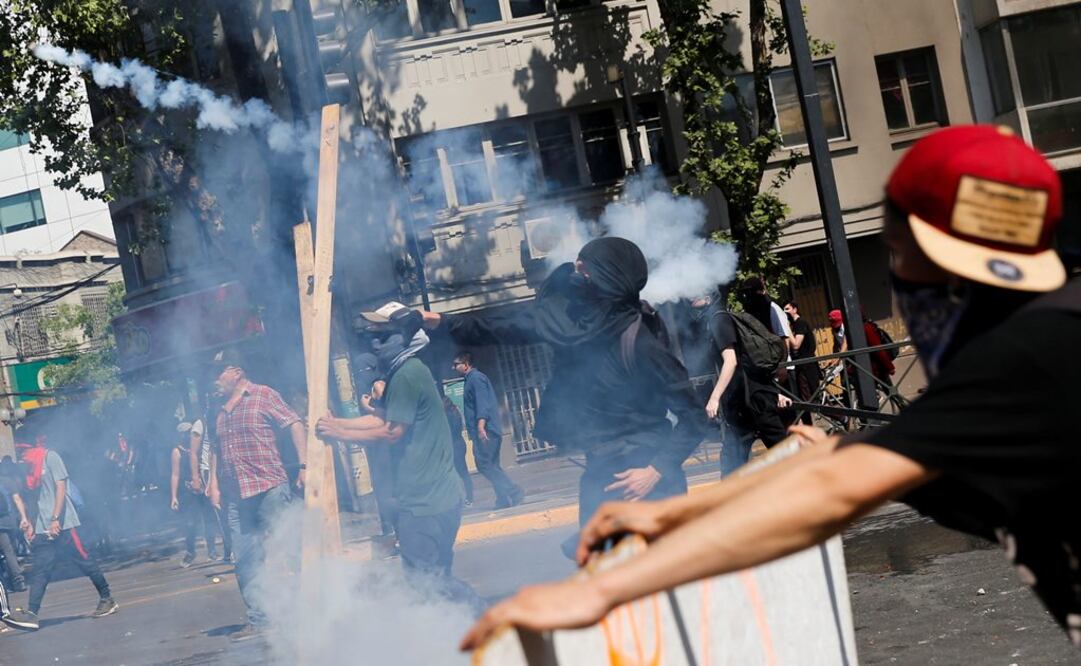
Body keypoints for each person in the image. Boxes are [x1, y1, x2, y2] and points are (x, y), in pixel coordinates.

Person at [459, 125, 1081, 651]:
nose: (896, 283)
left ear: (939, 257)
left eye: (896, 255)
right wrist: (678, 508)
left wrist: (596, 590)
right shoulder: (1043, 345)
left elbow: (832, 486)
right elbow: (865, 461)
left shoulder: (1025, 361)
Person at [421, 237, 710, 535]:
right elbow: (501, 326)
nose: (577, 271)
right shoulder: (570, 324)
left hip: (647, 476)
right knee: (600, 567)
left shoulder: (641, 342)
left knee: (656, 571)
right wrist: (440, 322)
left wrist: (655, 471)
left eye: (587, 268)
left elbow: (694, 418)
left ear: (611, 276)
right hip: (600, 472)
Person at [318, 303, 470, 600]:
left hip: (425, 503)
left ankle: (482, 618)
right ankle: (455, 635)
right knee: (434, 581)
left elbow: (391, 431)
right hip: (435, 499)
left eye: (384, 335)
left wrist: (339, 432)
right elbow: (382, 418)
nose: (375, 342)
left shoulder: (406, 375)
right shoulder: (405, 371)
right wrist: (339, 426)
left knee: (427, 582)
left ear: (404, 337)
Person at [211, 349, 307, 642]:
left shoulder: (263, 395)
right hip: (236, 496)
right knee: (245, 560)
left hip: (270, 488)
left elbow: (294, 423)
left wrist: (304, 465)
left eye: (218, 372)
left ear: (237, 371)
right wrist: (213, 484)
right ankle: (260, 620)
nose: (213, 379)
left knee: (290, 549)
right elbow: (216, 448)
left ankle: (304, 609)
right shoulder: (218, 408)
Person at [14, 437, 118, 630]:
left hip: (64, 524)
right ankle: (32, 613)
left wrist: (55, 518)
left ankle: (107, 598)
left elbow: (61, 487)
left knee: (84, 561)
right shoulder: (28, 469)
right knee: (41, 570)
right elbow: (32, 497)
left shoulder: (50, 457)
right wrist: (28, 521)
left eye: (22, 451)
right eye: (18, 451)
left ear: (32, 447)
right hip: (42, 527)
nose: (20, 455)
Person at [699, 290, 793, 476]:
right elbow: (746, 362)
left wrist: (714, 398)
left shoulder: (719, 320)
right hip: (745, 401)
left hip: (753, 401)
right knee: (733, 462)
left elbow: (731, 361)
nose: (689, 295)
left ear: (709, 297)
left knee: (784, 456)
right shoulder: (717, 320)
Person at [452, 352, 522, 509]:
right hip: (484, 430)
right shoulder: (471, 380)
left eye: (456, 364)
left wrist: (481, 425)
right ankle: (503, 499)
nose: (454, 367)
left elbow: (482, 403)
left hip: (486, 430)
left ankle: (514, 491)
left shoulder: (476, 379)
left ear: (466, 364)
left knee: (484, 464)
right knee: (492, 465)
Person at [170, 421, 223, 567]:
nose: (189, 435)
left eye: (190, 431)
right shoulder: (177, 452)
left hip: (204, 488)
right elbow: (175, 475)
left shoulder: (198, 448)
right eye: (187, 432)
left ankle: (212, 552)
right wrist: (174, 496)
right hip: (188, 493)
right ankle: (190, 552)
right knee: (191, 523)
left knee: (209, 520)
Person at [783, 300, 822, 425]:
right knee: (803, 400)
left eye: (787, 309)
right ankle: (808, 428)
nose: (785, 312)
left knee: (811, 400)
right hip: (800, 367)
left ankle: (841, 417)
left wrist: (786, 328)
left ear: (795, 309)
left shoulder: (800, 323)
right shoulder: (794, 325)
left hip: (807, 366)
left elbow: (796, 345)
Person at [442, 394, 475, 506]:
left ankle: (465, 498)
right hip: (459, 443)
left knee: (458, 473)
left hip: (454, 445)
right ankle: (468, 497)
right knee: (462, 472)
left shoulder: (448, 415)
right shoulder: (456, 412)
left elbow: (450, 432)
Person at [0, 457, 26, 591]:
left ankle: (15, 581)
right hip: (11, 521)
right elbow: (17, 500)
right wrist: (24, 517)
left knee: (7, 552)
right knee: (12, 551)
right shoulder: (7, 481)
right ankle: (16, 580)